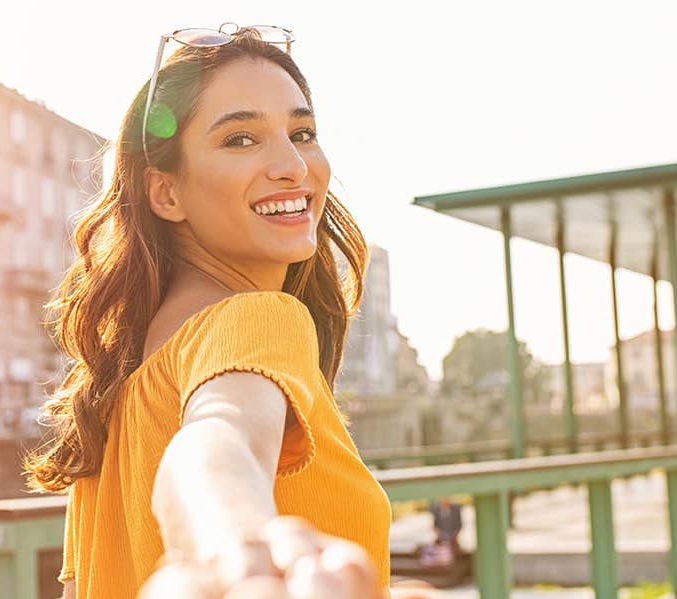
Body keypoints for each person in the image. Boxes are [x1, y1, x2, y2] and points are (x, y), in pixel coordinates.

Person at [24, 24, 433, 599]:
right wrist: (239, 546)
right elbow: (216, 443)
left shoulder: (115, 392)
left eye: (302, 132)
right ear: (166, 193)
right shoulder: (258, 318)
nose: (294, 165)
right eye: (241, 139)